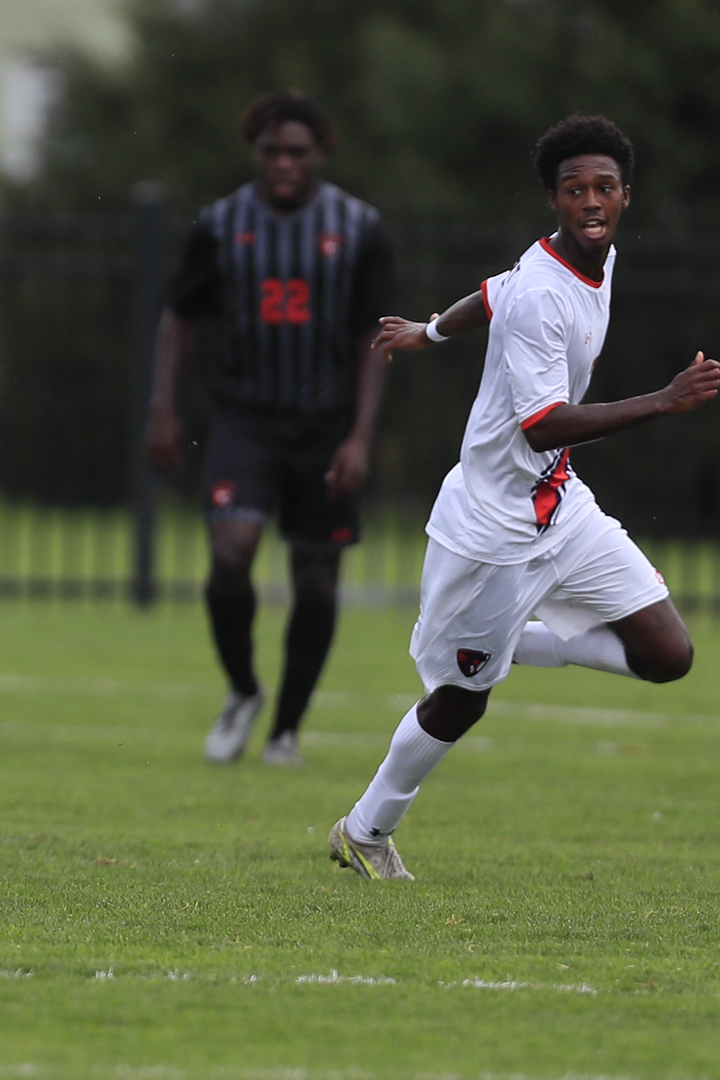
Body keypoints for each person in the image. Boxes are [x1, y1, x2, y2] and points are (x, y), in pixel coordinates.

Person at [329, 114, 719, 880]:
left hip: (560, 507)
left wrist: (428, 333)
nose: (591, 201)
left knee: (668, 655)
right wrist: (665, 400)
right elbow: (542, 426)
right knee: (460, 699)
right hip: (492, 530)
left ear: (626, 195)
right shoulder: (545, 292)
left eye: (604, 187)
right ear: (554, 200)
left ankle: (514, 638)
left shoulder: (585, 261)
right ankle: (366, 830)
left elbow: (490, 292)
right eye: (575, 190)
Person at [147, 90, 396, 766]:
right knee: (231, 556)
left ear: (320, 154)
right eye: (271, 151)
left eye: (296, 152)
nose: (283, 162)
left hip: (326, 425)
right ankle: (243, 689)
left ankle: (286, 729)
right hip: (245, 418)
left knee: (315, 579)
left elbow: (373, 336)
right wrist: (163, 407)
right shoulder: (223, 223)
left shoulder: (358, 226)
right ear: (255, 153)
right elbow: (180, 315)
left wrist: (359, 437)